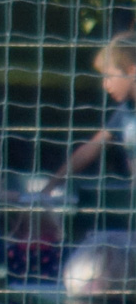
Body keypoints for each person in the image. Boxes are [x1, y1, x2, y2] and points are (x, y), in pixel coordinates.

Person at [51, 32, 136, 190]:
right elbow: (89, 150)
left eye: (109, 76)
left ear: (132, 71)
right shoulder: (125, 111)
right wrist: (51, 186)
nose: (105, 85)